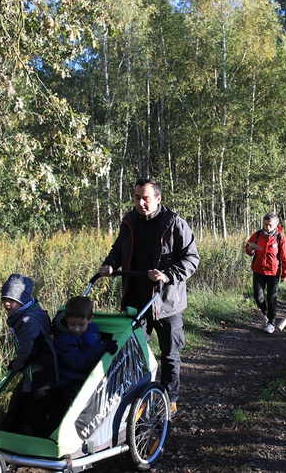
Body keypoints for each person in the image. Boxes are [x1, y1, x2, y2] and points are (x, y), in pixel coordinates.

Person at [98, 178, 200, 419]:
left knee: (170, 353)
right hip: (136, 301)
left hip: (166, 303)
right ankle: (136, 400)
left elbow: (192, 258)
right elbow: (118, 250)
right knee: (132, 353)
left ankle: (170, 398)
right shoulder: (129, 221)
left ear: (158, 199)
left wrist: (168, 275)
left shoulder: (174, 223)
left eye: (145, 198)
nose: (140, 203)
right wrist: (110, 264)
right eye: (136, 198)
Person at [0, 273, 59, 436]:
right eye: (4, 299)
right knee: (24, 404)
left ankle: (38, 442)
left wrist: (17, 365)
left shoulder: (27, 321)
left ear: (22, 300)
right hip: (41, 369)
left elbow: (27, 349)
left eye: (11, 300)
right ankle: (20, 433)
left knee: (35, 409)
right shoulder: (32, 312)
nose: (6, 304)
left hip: (41, 373)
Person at [52, 296, 118, 403]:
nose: (76, 329)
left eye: (81, 324)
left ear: (90, 320)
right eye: (72, 324)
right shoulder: (62, 340)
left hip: (89, 375)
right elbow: (79, 362)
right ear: (66, 319)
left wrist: (105, 345)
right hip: (71, 380)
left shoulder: (93, 328)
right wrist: (102, 348)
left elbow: (96, 343)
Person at [245, 213, 286, 333]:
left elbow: (285, 257)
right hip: (258, 270)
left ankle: (271, 323)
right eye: (265, 224)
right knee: (258, 297)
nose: (268, 227)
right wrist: (250, 250)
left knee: (272, 298)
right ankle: (265, 313)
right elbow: (248, 249)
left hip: (273, 273)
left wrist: (285, 274)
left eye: (270, 225)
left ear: (276, 225)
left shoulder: (280, 238)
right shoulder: (258, 235)